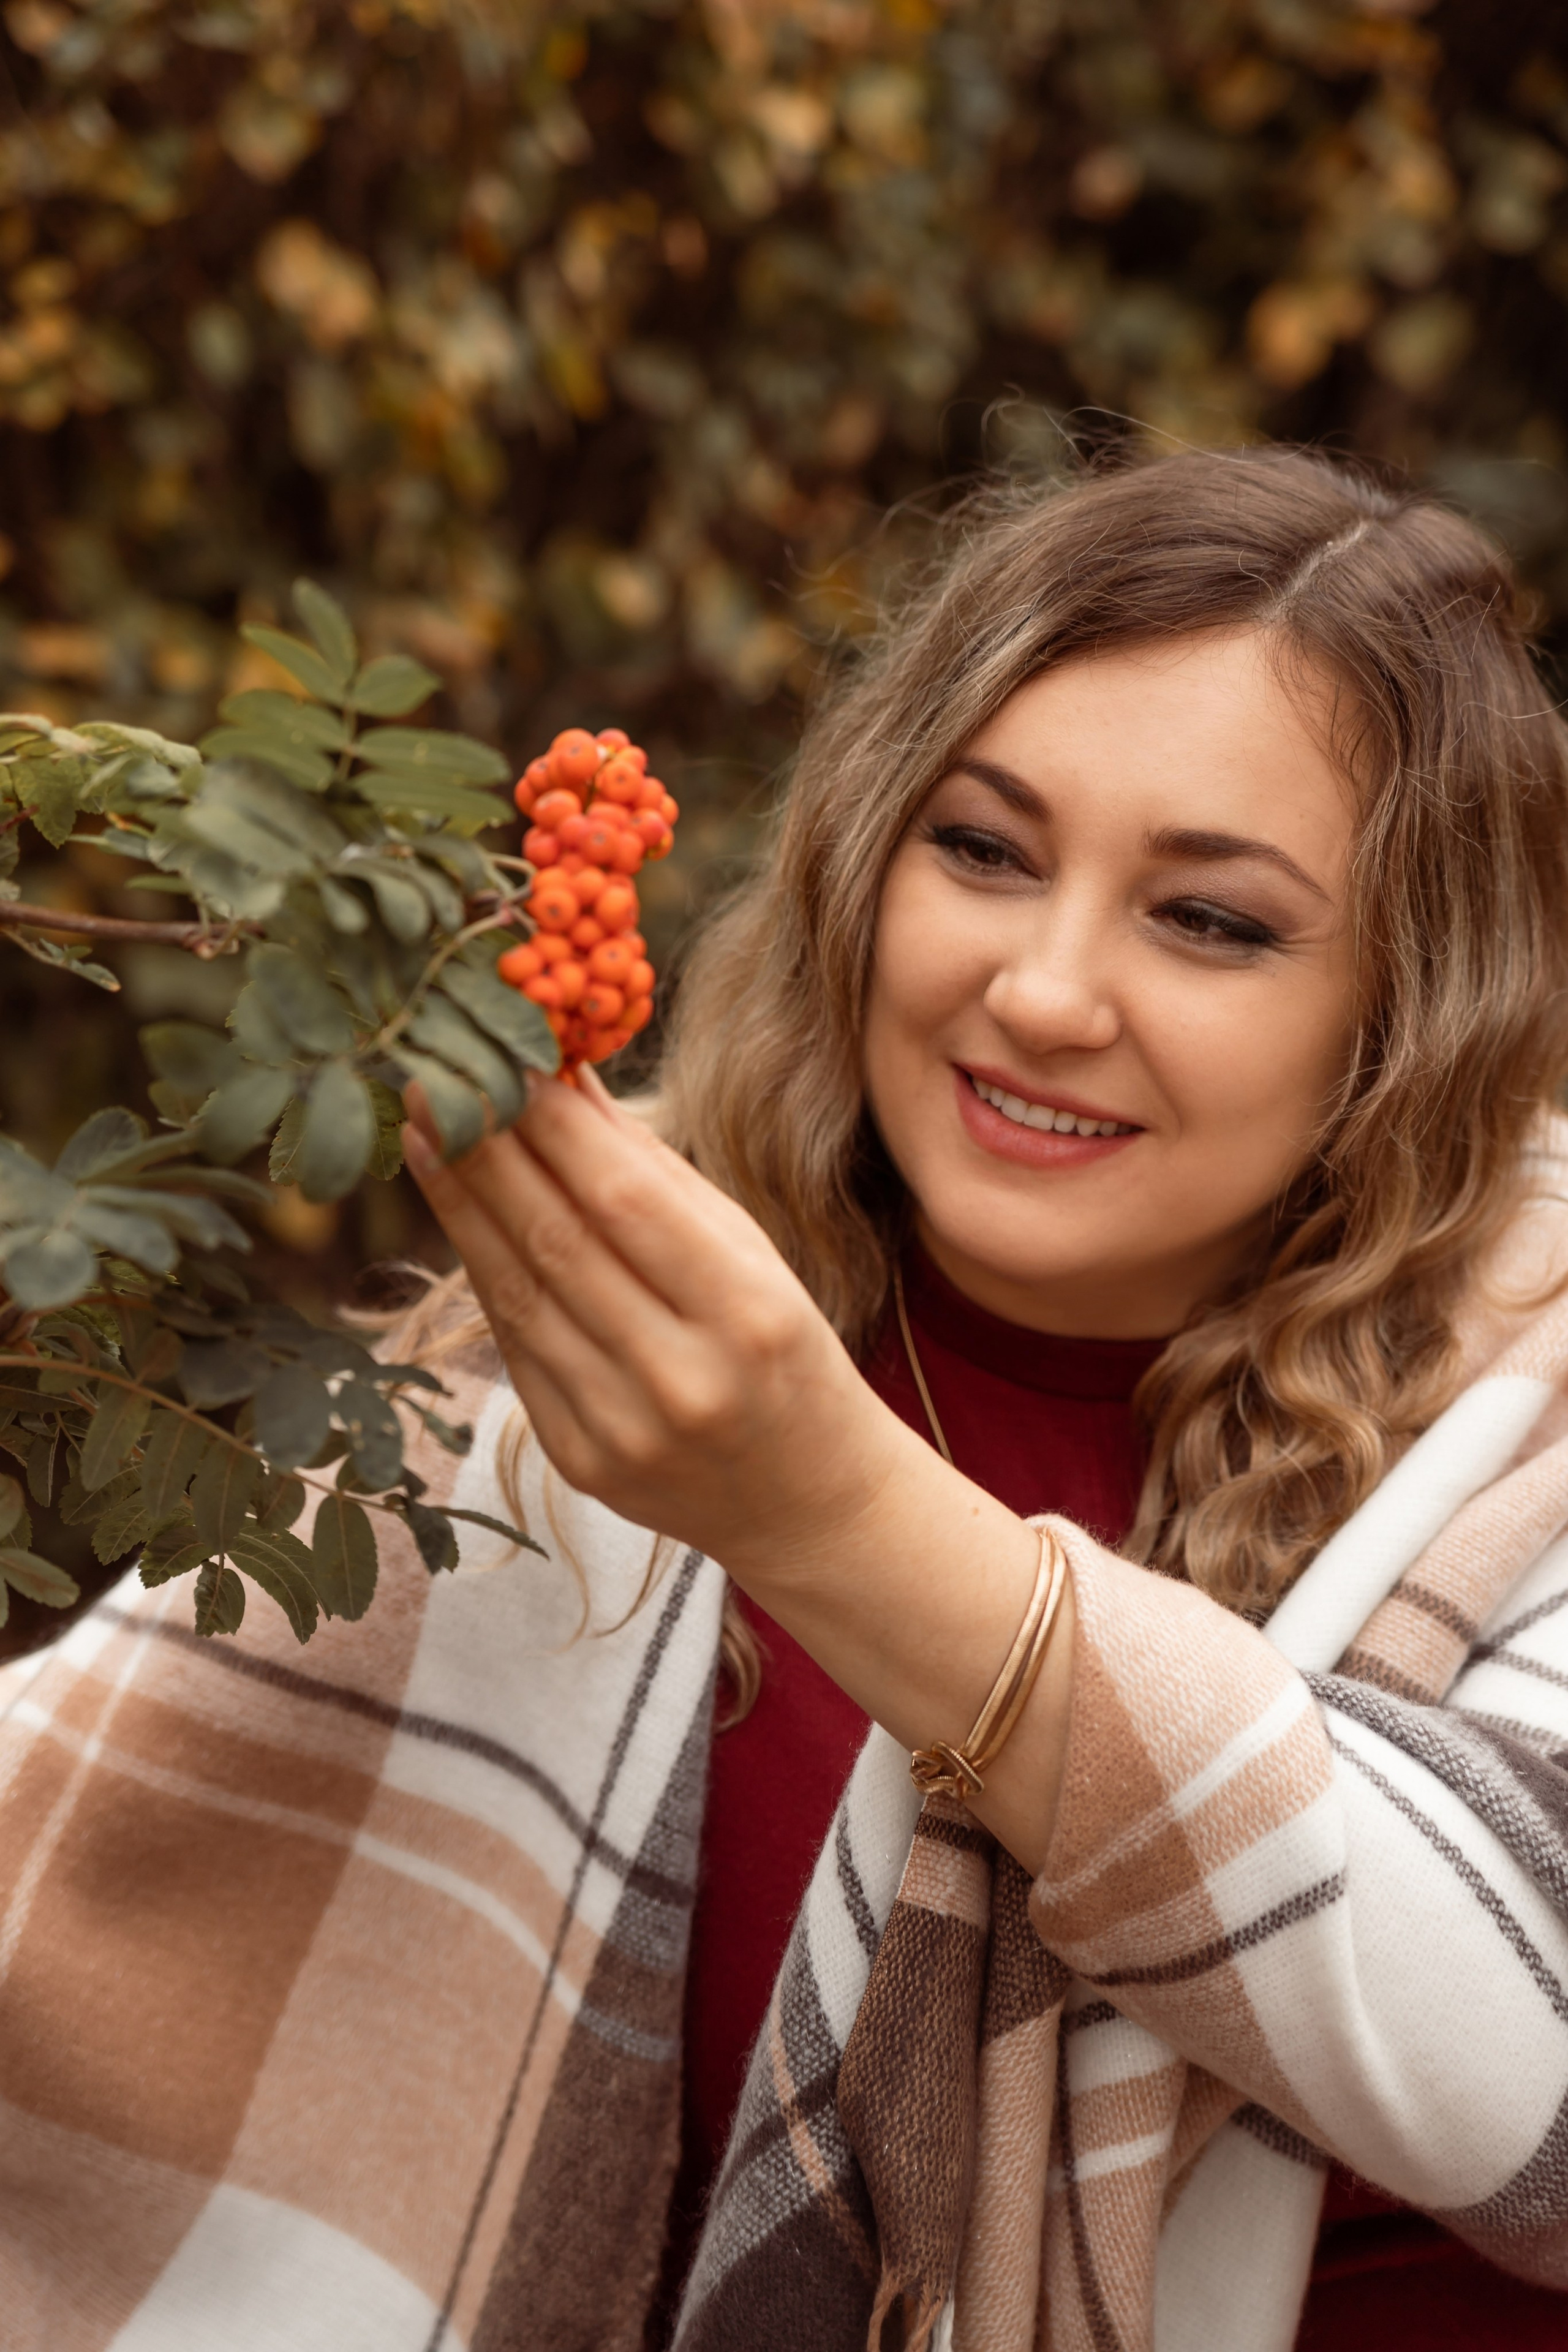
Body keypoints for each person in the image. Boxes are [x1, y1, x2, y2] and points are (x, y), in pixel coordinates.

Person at [4, 447, 1568, 2352]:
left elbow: (1526, 2074)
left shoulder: (1527, 1436)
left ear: (1412, 1010)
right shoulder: (594, 1337)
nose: (1045, 990)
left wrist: (826, 1512)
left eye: (1211, 922)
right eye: (982, 849)